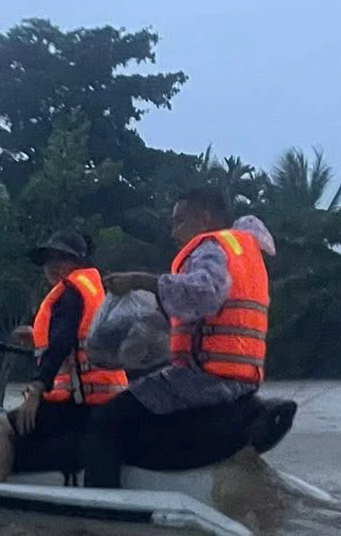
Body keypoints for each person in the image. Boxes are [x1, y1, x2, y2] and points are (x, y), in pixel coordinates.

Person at [80, 188, 297, 488]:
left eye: (179, 221)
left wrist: (139, 280)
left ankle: (102, 506)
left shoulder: (210, 247)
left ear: (204, 218)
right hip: (240, 381)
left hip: (203, 380)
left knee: (105, 420)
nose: (173, 232)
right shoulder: (244, 251)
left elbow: (205, 293)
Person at [0, 229, 129, 482]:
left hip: (78, 404)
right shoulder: (94, 290)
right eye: (48, 259)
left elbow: (61, 344)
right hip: (103, 399)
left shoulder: (70, 294)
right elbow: (76, 340)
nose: (52, 265)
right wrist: (36, 336)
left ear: (78, 262)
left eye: (62, 258)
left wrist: (37, 388)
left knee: (2, 425)